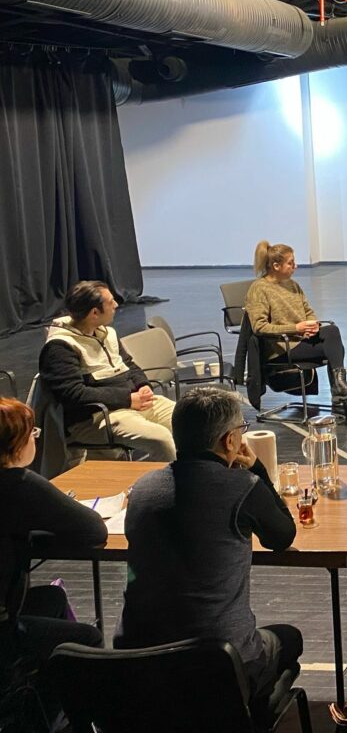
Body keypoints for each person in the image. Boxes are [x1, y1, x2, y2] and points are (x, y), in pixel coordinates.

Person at [116, 387, 301, 721]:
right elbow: (283, 535)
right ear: (230, 440)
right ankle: (242, 717)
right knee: (290, 639)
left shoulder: (142, 489)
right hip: (219, 664)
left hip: (139, 665)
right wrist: (257, 469)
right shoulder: (242, 487)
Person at [0, 398, 105, 686]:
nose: (36, 438)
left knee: (51, 598)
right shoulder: (18, 483)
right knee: (87, 640)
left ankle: (43, 700)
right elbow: (94, 531)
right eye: (32, 433)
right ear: (16, 446)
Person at [39, 280, 177, 462]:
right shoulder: (60, 347)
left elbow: (129, 364)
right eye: (111, 302)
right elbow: (72, 394)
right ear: (95, 313)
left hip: (134, 402)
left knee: (196, 419)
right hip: (98, 416)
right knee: (162, 440)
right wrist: (127, 399)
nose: (116, 305)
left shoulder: (107, 333)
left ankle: (199, 474)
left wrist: (142, 385)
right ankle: (161, 480)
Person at [245, 241, 347, 419]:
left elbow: (308, 311)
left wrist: (312, 325)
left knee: (331, 331)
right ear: (276, 266)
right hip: (282, 347)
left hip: (300, 340)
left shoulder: (293, 285)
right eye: (290, 263)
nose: (295, 266)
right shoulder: (259, 289)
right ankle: (340, 399)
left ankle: (340, 389)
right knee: (333, 347)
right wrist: (296, 328)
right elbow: (259, 326)